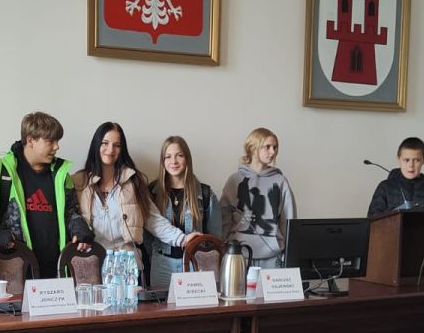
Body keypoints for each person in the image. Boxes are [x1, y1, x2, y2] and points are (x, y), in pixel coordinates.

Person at [0, 111, 92, 280]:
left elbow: (71, 212)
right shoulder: (2, 172)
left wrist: (80, 228)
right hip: (15, 271)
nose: (57, 147)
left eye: (57, 141)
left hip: (57, 272)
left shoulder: (61, 174)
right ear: (31, 140)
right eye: (50, 141)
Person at [75, 122, 201, 271]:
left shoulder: (133, 181)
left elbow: (153, 219)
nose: (110, 150)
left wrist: (182, 239)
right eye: (105, 143)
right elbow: (70, 219)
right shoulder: (78, 182)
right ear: (96, 144)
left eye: (117, 145)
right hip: (92, 264)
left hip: (127, 265)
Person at [146, 135, 222, 290]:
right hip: (161, 265)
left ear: (187, 158)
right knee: (162, 305)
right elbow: (147, 235)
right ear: (162, 161)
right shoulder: (151, 192)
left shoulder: (205, 193)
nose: (173, 161)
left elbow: (215, 238)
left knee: (194, 305)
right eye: (168, 156)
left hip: (195, 264)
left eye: (179, 155)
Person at [220, 127, 295, 266]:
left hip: (272, 257)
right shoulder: (235, 180)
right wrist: (222, 249)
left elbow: (288, 220)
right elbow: (224, 218)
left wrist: (287, 254)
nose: (273, 152)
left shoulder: (280, 181)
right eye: (267, 147)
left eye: (275, 147)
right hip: (239, 255)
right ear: (253, 147)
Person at [367, 137, 424, 217]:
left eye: (416, 160)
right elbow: (373, 221)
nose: (411, 166)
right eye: (406, 160)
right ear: (398, 159)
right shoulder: (384, 188)